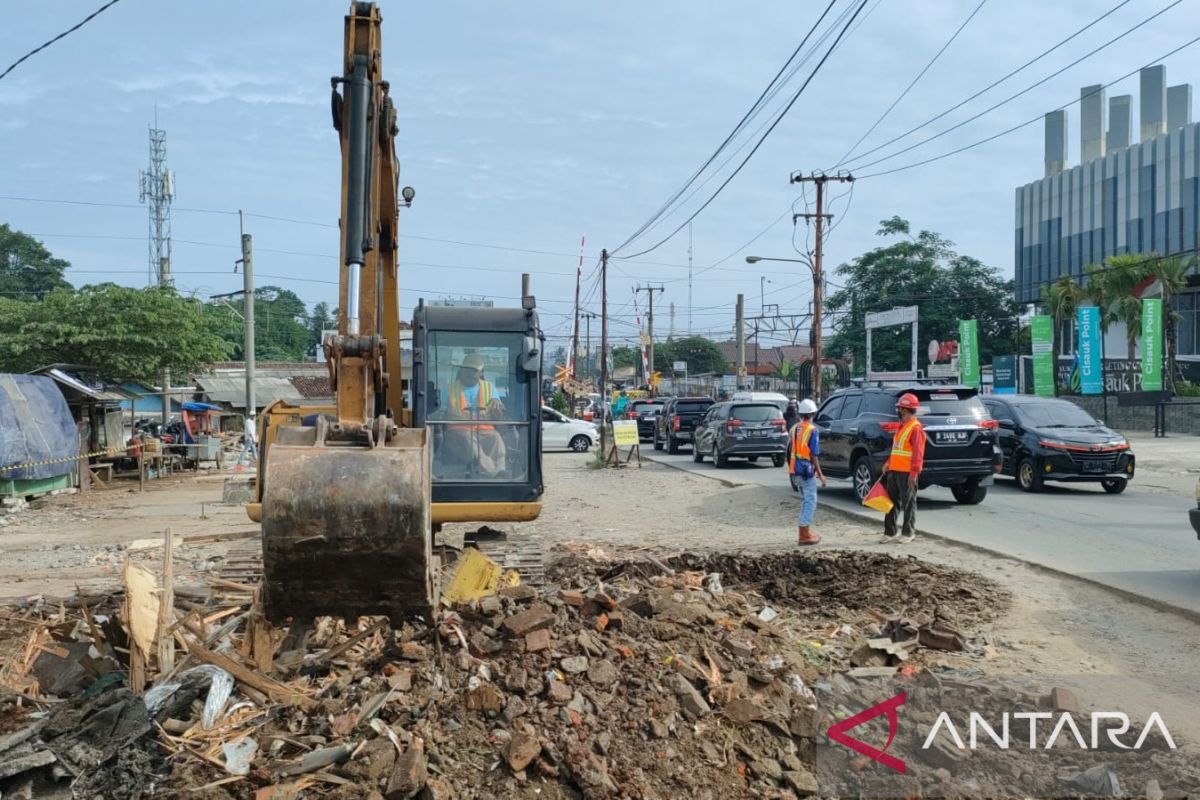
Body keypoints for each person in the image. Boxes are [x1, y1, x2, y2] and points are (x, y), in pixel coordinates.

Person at [440, 353, 507, 476]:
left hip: (484, 430)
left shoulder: (489, 388)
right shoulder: (449, 390)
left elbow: (498, 415)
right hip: (457, 432)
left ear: (481, 373)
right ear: (461, 371)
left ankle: (501, 469)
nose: (471, 374)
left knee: (496, 438)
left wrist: (497, 407)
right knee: (469, 439)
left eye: (474, 371)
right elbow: (440, 413)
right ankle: (492, 472)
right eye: (467, 370)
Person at [881, 392, 925, 543]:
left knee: (908, 503)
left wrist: (914, 473)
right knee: (891, 502)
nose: (898, 411)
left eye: (900, 408)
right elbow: (896, 448)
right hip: (895, 470)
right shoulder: (902, 427)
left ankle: (908, 533)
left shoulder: (915, 428)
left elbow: (918, 453)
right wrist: (888, 463)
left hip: (907, 472)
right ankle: (890, 531)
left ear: (905, 410)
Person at [788, 399, 826, 545]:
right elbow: (814, 455)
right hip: (805, 469)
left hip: (795, 469)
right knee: (811, 501)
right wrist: (821, 475)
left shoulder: (796, 428)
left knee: (805, 500)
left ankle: (804, 532)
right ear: (813, 414)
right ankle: (804, 534)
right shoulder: (812, 430)